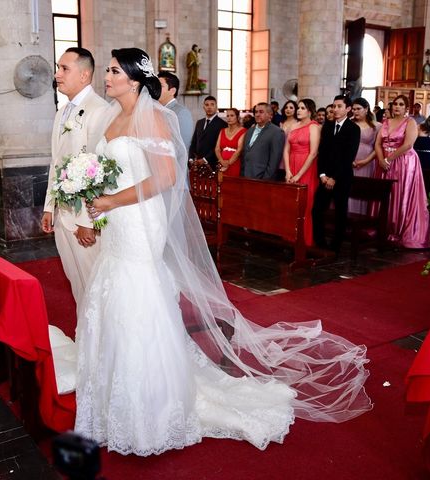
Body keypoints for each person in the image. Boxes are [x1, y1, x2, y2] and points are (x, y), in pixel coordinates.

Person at [78, 47, 371, 457]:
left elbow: (165, 177)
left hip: (139, 219)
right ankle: (115, 398)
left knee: (137, 293)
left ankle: (153, 405)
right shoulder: (111, 117)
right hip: (117, 222)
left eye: (111, 71)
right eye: (106, 71)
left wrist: (110, 203)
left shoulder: (154, 119)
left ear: (132, 78)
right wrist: (95, 200)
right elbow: (103, 170)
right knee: (114, 289)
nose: (105, 77)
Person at [41, 47, 109, 305]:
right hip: (62, 214)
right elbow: (56, 161)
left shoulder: (99, 109)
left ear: (84, 75)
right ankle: (87, 338)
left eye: (64, 69)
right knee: (77, 286)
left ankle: (102, 341)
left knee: (95, 286)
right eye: (58, 68)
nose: (57, 74)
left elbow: (98, 170)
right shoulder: (62, 112)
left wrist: (87, 221)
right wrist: (50, 207)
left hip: (83, 218)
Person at [374, 94, 430, 249]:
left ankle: (400, 230)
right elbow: (378, 143)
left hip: (404, 162)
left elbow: (408, 145)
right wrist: (380, 159)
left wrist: (389, 158)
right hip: (384, 161)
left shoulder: (410, 122)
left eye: (401, 104)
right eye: (395, 104)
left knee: (401, 194)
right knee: (387, 194)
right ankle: (383, 228)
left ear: (406, 108)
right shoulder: (385, 122)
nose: (397, 107)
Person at [312, 95, 360, 253]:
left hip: (342, 177)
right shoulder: (327, 126)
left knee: (340, 211)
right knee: (317, 209)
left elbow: (349, 156)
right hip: (325, 177)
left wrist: (334, 178)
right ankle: (320, 243)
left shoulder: (353, 129)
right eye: (334, 106)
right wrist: (322, 175)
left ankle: (336, 246)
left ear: (347, 109)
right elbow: (323, 152)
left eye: (339, 106)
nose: (335, 109)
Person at [283, 98, 320, 246]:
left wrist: (299, 174)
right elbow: (286, 150)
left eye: (302, 108)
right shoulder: (293, 126)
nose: (298, 110)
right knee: (290, 204)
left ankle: (303, 240)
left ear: (310, 111)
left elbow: (313, 153)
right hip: (291, 164)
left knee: (305, 204)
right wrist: (288, 171)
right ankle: (289, 238)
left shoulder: (314, 127)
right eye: (298, 108)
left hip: (307, 167)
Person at [349, 97, 380, 215]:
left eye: (358, 109)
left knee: (363, 191)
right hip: (350, 161)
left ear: (366, 109)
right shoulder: (349, 124)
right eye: (353, 109)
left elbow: (378, 147)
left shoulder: (377, 126)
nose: (355, 112)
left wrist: (366, 160)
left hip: (367, 162)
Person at [241, 102, 285, 179]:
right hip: (246, 176)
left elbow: (274, 160)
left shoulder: (276, 132)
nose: (257, 114)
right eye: (256, 112)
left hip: (263, 178)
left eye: (261, 112)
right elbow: (245, 154)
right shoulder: (250, 130)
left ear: (270, 115)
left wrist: (265, 178)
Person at [157, 72, 194, 155]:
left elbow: (182, 147)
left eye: (161, 86)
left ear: (172, 91)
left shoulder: (182, 113)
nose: (156, 89)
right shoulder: (157, 110)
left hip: (174, 165)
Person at [189, 96, 227, 169]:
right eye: (207, 105)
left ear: (216, 107)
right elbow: (194, 142)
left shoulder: (222, 124)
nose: (209, 107)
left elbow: (219, 146)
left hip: (212, 163)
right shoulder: (199, 122)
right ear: (203, 107)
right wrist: (191, 158)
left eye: (212, 104)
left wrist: (204, 159)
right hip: (197, 163)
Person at [214, 107, 246, 176]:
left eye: (232, 116)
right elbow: (217, 148)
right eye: (227, 116)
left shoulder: (243, 131)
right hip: (221, 164)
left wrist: (228, 163)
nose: (229, 118)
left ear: (237, 117)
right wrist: (222, 161)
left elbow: (239, 149)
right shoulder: (222, 131)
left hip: (234, 164)